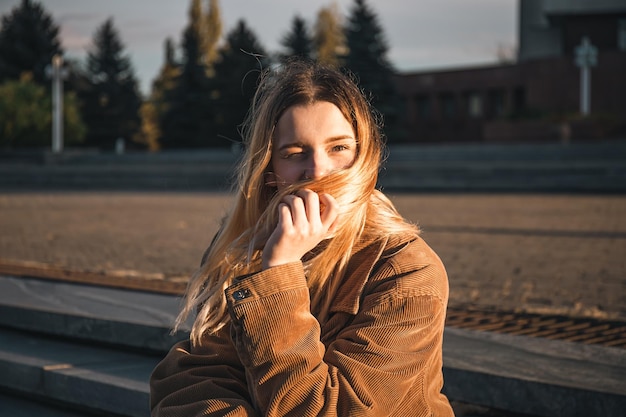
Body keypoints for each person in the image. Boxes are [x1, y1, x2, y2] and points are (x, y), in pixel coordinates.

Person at [150, 59, 454, 417]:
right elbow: (197, 376)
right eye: (295, 153)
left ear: (364, 155)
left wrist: (278, 272)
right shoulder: (244, 248)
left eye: (339, 148)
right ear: (270, 171)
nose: (318, 170)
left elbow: (327, 410)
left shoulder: (408, 273)